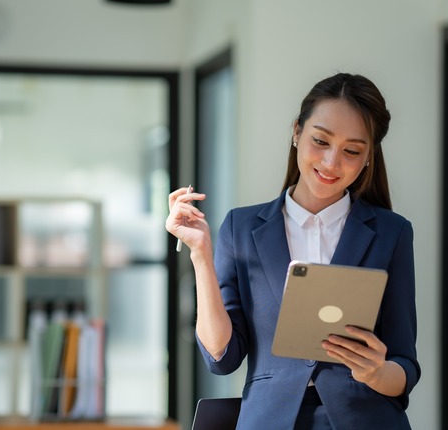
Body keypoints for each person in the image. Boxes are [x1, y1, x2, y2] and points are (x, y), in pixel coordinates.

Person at [166, 73, 420, 429]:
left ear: (368, 158)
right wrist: (200, 255)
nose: (331, 163)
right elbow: (221, 357)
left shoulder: (391, 233)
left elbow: (405, 365)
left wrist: (377, 372)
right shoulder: (242, 228)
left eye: (352, 151)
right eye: (320, 140)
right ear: (297, 131)